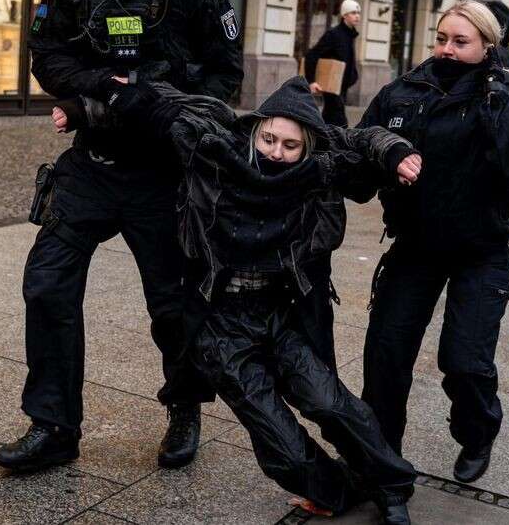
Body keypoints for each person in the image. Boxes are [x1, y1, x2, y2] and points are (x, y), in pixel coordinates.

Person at [63, 75, 422, 524]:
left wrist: (395, 151)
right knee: (282, 447)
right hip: (222, 322)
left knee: (330, 404)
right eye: (268, 138)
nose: (275, 152)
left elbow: (364, 136)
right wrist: (84, 107)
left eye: (290, 146)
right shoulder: (213, 153)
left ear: (308, 147)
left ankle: (390, 486)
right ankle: (335, 492)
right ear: (254, 129)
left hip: (285, 314)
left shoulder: (318, 172)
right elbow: (159, 103)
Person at [0, 0, 244, 473]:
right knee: (48, 285)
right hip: (92, 166)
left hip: (163, 176)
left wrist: (153, 103)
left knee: (172, 307)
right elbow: (45, 54)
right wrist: (103, 90)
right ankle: (52, 427)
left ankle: (185, 409)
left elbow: (223, 82)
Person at [357, 0, 509, 485]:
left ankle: (477, 430)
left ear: (488, 47)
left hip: (481, 249)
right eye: (442, 38)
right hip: (415, 245)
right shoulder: (404, 92)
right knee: (386, 355)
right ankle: (382, 464)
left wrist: (497, 95)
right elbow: (355, 152)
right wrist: (385, 152)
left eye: (461, 42)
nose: (447, 49)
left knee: (464, 361)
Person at [304, 0, 361, 127]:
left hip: (342, 87)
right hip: (331, 87)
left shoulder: (350, 35)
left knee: (329, 120)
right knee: (340, 124)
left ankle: (318, 141)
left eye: (358, 13)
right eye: (353, 12)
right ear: (344, 15)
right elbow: (311, 55)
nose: (357, 16)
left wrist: (353, 76)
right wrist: (312, 81)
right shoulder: (334, 34)